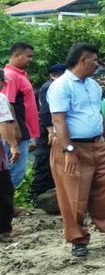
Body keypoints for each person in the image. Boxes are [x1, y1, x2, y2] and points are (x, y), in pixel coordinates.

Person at [48, 43, 105, 257]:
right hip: (73, 147)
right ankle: (78, 240)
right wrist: (68, 149)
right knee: (74, 197)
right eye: (94, 60)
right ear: (83, 59)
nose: (97, 64)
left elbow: (98, 115)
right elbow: (58, 120)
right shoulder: (61, 86)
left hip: (97, 145)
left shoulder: (93, 86)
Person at [2, 42, 40, 192]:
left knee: (15, 170)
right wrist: (16, 132)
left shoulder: (19, 74)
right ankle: (6, 206)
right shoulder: (10, 75)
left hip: (24, 131)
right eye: (28, 56)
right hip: (16, 132)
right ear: (16, 55)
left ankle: (8, 205)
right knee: (14, 170)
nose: (31, 59)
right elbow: (7, 105)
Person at [29, 62, 67, 201]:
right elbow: (45, 110)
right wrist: (50, 129)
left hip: (51, 129)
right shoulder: (51, 87)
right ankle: (38, 196)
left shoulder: (48, 85)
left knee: (51, 161)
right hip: (48, 131)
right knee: (45, 161)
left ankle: (47, 194)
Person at [0, 70, 21, 239]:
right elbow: (4, 124)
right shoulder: (0, 98)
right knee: (4, 189)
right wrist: (13, 146)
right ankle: (4, 229)